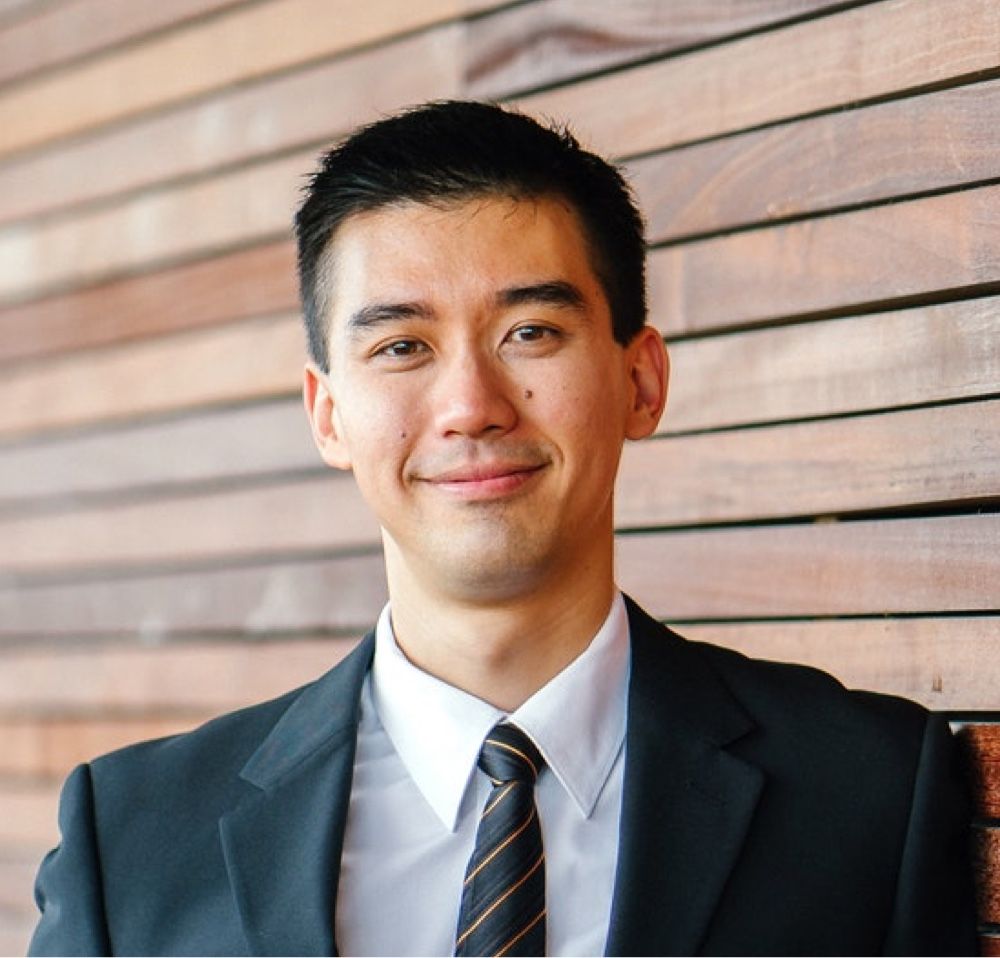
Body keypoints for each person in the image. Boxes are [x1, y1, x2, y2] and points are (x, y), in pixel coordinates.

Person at [30, 100, 977, 957]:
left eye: (531, 333)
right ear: (328, 415)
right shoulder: (135, 838)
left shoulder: (867, 792)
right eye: (402, 347)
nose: (471, 406)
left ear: (640, 381)